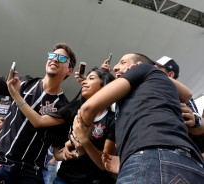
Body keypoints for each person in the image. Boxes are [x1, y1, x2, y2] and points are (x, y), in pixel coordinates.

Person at [0, 19, 77, 184]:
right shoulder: (24, 83)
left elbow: (49, 139)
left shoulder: (64, 107)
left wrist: (65, 154)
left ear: (69, 70)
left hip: (28, 171)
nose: (54, 59)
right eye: (52, 55)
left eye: (62, 59)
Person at [77, 53, 204, 183]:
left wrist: (83, 131)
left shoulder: (150, 75)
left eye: (122, 62)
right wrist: (124, 159)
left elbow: (87, 109)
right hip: (185, 164)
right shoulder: (132, 99)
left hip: (153, 158)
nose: (116, 67)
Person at [52, 67, 117, 184]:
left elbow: (104, 164)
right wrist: (69, 153)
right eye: (85, 79)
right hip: (63, 178)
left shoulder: (113, 120)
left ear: (105, 86)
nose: (84, 81)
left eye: (91, 78)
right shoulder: (73, 111)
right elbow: (58, 154)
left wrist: (85, 142)